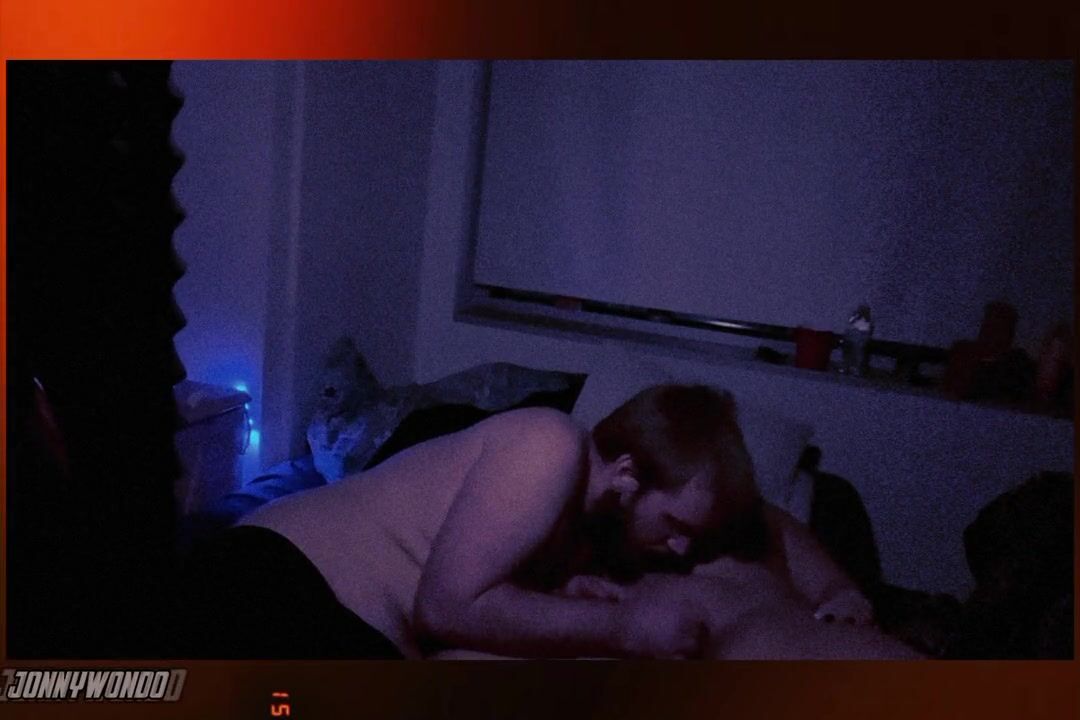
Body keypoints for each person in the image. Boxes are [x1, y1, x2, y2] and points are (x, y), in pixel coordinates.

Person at [179, 384, 877, 659]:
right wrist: (621, 627)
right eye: (674, 525)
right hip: (279, 587)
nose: (678, 548)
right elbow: (446, 606)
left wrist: (838, 590)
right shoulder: (549, 444)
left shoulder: (584, 534)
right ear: (628, 474)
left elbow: (767, 523)